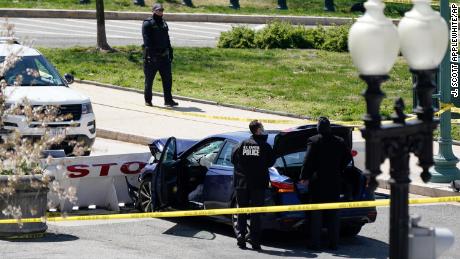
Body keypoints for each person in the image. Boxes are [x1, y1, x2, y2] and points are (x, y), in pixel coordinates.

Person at [300, 117, 352, 250]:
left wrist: (304, 177)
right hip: (334, 181)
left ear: (318, 128)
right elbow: (348, 158)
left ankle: (315, 243)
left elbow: (307, 161)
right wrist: (339, 169)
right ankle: (334, 243)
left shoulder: (314, 141)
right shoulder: (339, 141)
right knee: (333, 214)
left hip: (318, 183)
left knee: (316, 214)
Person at [231, 120, 275, 250]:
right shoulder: (265, 146)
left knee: (242, 211)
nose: (264, 129)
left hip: (241, 183)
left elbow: (233, 159)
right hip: (258, 184)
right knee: (256, 213)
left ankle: (241, 237)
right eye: (262, 127)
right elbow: (271, 162)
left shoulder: (241, 144)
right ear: (258, 130)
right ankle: (255, 241)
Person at [142, 3, 178, 107]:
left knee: (168, 80)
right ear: (153, 11)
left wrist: (170, 51)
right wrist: (152, 56)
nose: (160, 12)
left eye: (161, 10)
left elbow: (167, 38)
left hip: (164, 58)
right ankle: (148, 100)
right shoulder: (147, 23)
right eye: (158, 10)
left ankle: (168, 100)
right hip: (151, 58)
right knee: (149, 81)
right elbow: (147, 41)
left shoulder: (163, 23)